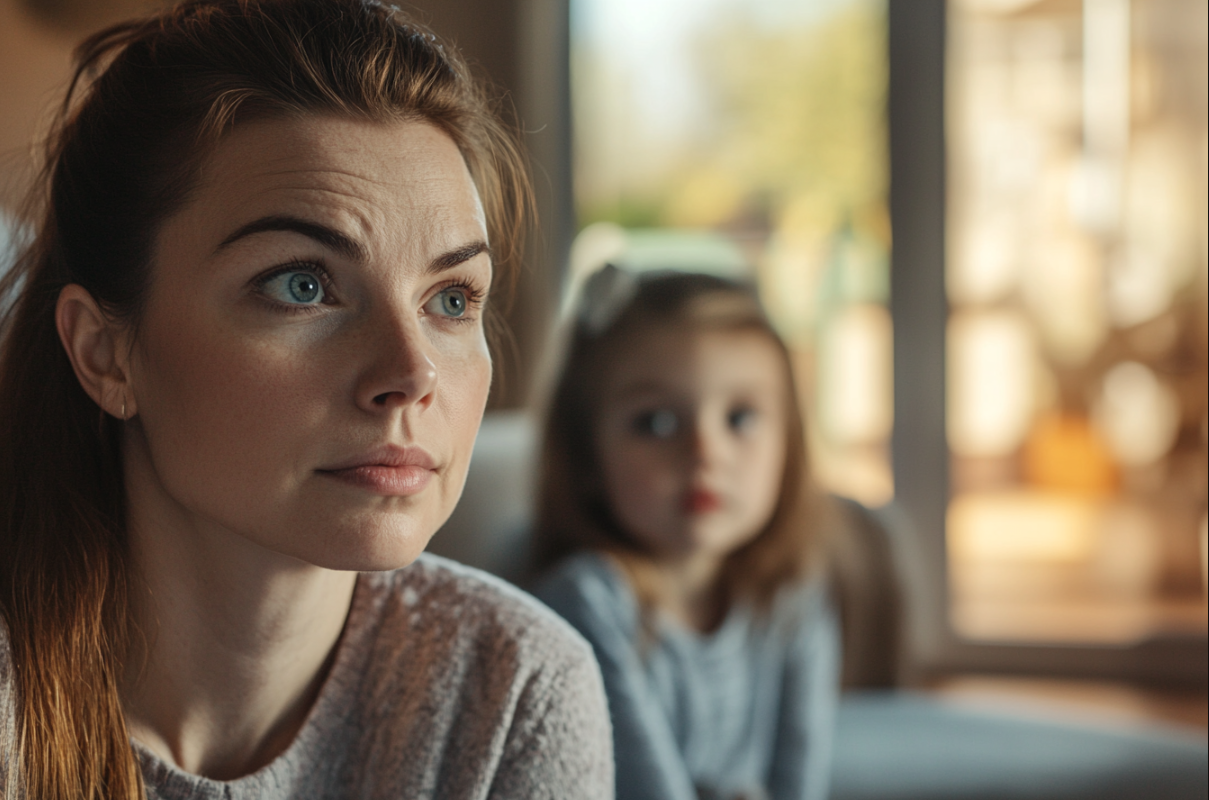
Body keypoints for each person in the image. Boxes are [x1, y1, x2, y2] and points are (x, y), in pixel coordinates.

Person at [0, 2, 613, 798]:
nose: (412, 372)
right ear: (103, 350)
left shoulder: (512, 691)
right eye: (302, 285)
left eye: (452, 298)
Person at [534, 266, 840, 800]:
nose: (705, 452)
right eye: (656, 422)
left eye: (740, 418)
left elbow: (801, 779)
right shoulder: (585, 603)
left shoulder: (793, 597)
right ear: (587, 456)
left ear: (788, 446)